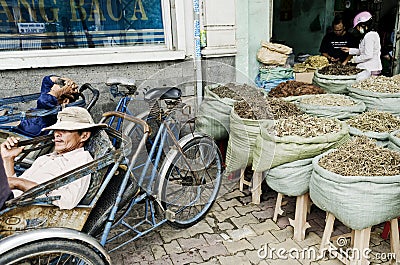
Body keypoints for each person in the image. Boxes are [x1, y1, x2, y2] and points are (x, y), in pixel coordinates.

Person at [0, 106, 107, 210]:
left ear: (84, 136)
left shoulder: (81, 161)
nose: (57, 134)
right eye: (56, 129)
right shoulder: (50, 157)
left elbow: (68, 200)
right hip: (9, 203)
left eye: (65, 130)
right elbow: (14, 189)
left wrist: (19, 183)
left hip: (24, 213)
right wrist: (8, 159)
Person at [12, 75, 80, 137]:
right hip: (25, 122)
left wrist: (61, 91)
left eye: (53, 92)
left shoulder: (53, 110)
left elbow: (44, 100)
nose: (49, 92)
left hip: (26, 131)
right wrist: (62, 80)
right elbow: (46, 80)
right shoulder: (51, 97)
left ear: (65, 101)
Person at [341, 11, 382, 77]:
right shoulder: (369, 35)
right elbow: (364, 51)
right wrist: (350, 50)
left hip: (370, 69)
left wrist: (354, 60)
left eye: (357, 27)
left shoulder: (370, 36)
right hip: (368, 68)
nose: (357, 29)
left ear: (363, 25)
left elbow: (368, 55)